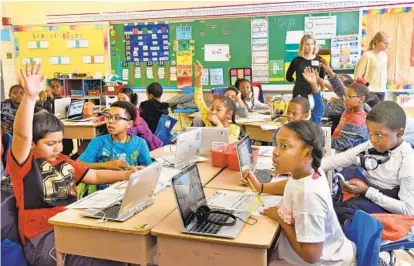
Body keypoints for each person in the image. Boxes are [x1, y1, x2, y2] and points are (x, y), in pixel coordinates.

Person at [6, 62, 138, 266]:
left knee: (124, 253)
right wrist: (30, 97)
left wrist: (127, 175)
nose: (58, 147)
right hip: (42, 238)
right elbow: (22, 135)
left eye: (60, 141)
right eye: (50, 144)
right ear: (33, 144)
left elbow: (91, 176)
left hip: (71, 226)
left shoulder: (63, 160)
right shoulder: (24, 163)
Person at [242, 120, 356, 265]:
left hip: (324, 261)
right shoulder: (309, 171)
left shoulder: (308, 197)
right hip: (331, 250)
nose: (275, 152)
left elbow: (311, 256)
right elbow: (290, 185)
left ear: (307, 154)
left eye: (284, 146)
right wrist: (260, 187)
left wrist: (282, 221)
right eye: (276, 144)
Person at [322, 101, 414, 224]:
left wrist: (367, 191)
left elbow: (408, 210)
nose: (373, 140)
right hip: (369, 192)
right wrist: (305, 168)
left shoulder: (407, 161)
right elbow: (336, 161)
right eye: (370, 133)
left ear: (399, 133)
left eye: (379, 135)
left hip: (388, 204)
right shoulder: (370, 146)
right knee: (327, 204)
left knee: (337, 214)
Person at [78, 101, 152, 197]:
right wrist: (106, 165)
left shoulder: (139, 143)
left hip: (130, 192)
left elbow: (149, 170)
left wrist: (139, 170)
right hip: (103, 195)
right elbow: (79, 165)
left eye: (117, 118)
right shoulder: (98, 142)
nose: (110, 121)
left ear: (129, 124)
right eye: (108, 117)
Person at [272, 67, 325, 145]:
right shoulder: (282, 130)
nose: (290, 116)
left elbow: (319, 107)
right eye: (288, 112)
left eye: (294, 114)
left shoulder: (310, 127)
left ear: (305, 116)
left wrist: (313, 83)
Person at [194, 61, 240, 142]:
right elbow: (199, 100)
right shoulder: (209, 121)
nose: (213, 112)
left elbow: (228, 142)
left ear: (229, 114)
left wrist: (218, 124)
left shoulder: (234, 128)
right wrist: (198, 79)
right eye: (212, 109)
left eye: (218, 110)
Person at [286, 34, 325, 99]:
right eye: (307, 44)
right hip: (299, 93)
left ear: (314, 45)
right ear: (302, 46)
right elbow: (288, 77)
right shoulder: (296, 60)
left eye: (312, 44)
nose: (310, 47)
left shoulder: (320, 60)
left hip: (314, 93)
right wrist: (297, 81)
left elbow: (321, 78)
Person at [354, 31, 390, 101]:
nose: (387, 46)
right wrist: (365, 86)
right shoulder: (367, 55)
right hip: (370, 91)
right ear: (377, 42)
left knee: (380, 112)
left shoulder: (384, 56)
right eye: (385, 43)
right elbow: (357, 76)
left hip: (382, 91)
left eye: (388, 43)